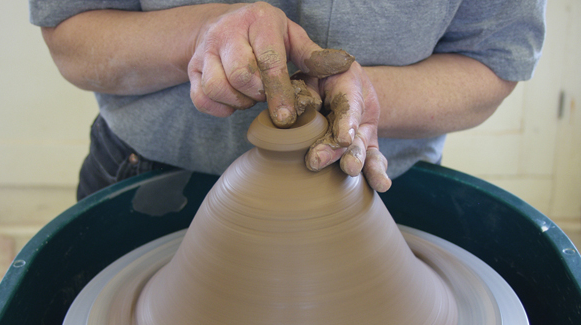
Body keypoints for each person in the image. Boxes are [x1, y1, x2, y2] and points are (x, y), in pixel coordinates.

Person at [29, 1, 546, 200]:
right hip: (147, 179)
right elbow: (73, 39)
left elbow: (491, 63)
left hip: (376, 187)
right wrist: (203, 36)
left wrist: (360, 98)